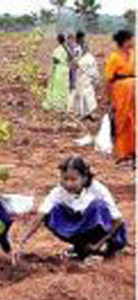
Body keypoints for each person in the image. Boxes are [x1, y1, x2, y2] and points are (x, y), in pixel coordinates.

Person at [17, 156, 127, 263]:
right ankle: (80, 247)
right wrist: (21, 242)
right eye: (65, 179)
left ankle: (99, 251)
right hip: (81, 228)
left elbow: (118, 220)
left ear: (84, 178)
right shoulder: (59, 191)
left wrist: (97, 245)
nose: (68, 184)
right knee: (52, 212)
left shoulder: (98, 189)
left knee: (97, 206)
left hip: (105, 234)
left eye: (73, 179)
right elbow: (40, 215)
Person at [105, 29, 135, 164]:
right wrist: (109, 98)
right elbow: (109, 79)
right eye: (129, 40)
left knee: (133, 120)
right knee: (121, 121)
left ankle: (132, 150)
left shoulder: (134, 55)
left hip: (134, 92)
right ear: (123, 42)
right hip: (120, 92)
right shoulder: (114, 58)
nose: (132, 42)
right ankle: (121, 153)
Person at [68, 35, 98, 121]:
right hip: (80, 77)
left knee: (88, 94)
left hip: (86, 77)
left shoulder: (88, 57)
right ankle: (83, 113)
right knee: (81, 95)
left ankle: (89, 113)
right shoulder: (79, 55)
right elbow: (74, 65)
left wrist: (77, 64)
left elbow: (91, 68)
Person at [43, 34, 71, 111]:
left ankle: (57, 106)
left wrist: (49, 73)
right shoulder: (67, 49)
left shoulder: (57, 50)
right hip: (65, 69)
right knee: (64, 88)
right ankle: (64, 105)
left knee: (57, 88)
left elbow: (55, 61)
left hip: (59, 70)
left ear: (58, 40)